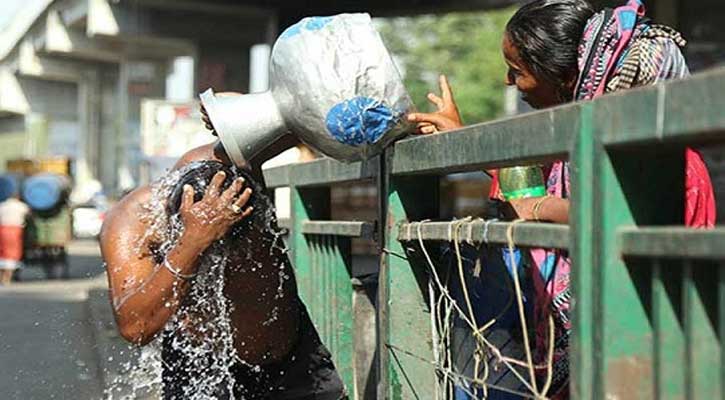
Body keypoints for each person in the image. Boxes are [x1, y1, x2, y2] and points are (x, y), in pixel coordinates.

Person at [407, 0, 716, 398]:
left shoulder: (662, 157)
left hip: (653, 363)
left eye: (517, 72)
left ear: (567, 75)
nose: (508, 82)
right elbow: (536, 188)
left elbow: (627, 216)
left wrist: (542, 209)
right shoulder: (581, 151)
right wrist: (459, 136)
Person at [100, 135, 347, 399]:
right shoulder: (133, 221)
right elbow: (135, 327)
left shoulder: (235, 158)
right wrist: (193, 243)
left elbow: (303, 119)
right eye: (215, 255)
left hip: (291, 361)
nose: (232, 260)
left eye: (239, 248)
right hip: (199, 363)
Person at [0, 193, 30, 285]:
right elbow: (29, 215)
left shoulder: (2, 205)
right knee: (12, 253)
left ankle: (2, 277)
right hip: (15, 230)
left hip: (2, 230)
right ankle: (7, 277)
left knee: (2, 252)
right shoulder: (21, 206)